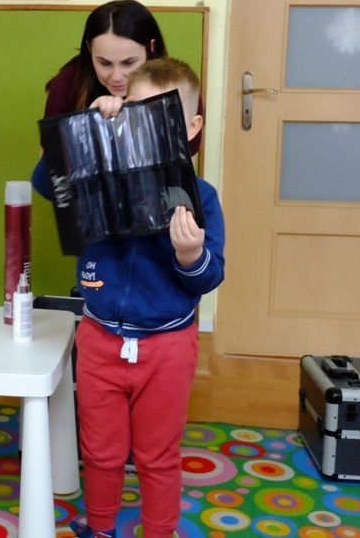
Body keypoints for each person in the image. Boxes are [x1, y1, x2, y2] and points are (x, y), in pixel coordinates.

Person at [32, 58, 226, 538]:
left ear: (192, 127)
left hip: (167, 347)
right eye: (135, 111)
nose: (147, 127)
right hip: (100, 338)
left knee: (157, 454)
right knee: (100, 450)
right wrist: (88, 130)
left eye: (163, 116)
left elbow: (209, 277)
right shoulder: (99, 173)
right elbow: (44, 181)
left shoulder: (202, 197)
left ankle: (159, 530)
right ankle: (99, 527)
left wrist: (190, 254)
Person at [42, 0, 203, 156]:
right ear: (89, 49)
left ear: (151, 48)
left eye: (128, 63)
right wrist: (87, 125)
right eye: (105, 63)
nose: (116, 77)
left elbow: (185, 165)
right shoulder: (67, 85)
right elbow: (49, 167)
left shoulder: (177, 87)